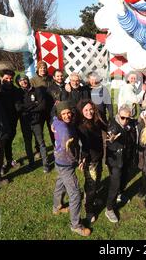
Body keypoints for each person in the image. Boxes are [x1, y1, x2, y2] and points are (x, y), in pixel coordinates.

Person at [51, 101, 91, 237]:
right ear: (60, 115)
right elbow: (64, 141)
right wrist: (66, 146)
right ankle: (76, 225)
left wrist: (54, 121)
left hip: (58, 161)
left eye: (68, 112)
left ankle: (56, 207)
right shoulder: (64, 130)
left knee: (60, 182)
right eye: (64, 114)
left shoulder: (56, 120)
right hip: (66, 163)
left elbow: (54, 116)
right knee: (75, 194)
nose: (67, 115)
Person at [76, 99, 107, 223]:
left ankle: (89, 198)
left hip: (99, 157)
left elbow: (107, 127)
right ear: (81, 111)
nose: (89, 112)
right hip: (89, 160)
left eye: (91, 109)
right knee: (92, 186)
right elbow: (83, 145)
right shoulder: (80, 126)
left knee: (96, 181)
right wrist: (82, 159)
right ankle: (89, 209)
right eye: (86, 110)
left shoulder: (96, 120)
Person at [104, 104, 137, 223]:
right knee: (115, 183)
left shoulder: (130, 124)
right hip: (115, 160)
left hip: (126, 158)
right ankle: (109, 208)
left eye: (128, 118)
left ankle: (120, 194)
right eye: (123, 118)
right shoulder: (113, 125)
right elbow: (110, 136)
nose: (125, 121)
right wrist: (111, 139)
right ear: (118, 115)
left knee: (124, 179)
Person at [15, 74, 50, 173]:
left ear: (28, 80)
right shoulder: (18, 93)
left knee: (41, 143)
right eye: (21, 81)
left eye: (25, 79)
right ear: (18, 83)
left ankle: (46, 164)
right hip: (25, 122)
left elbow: (42, 106)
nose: (23, 82)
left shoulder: (37, 90)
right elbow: (18, 107)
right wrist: (33, 105)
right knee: (28, 143)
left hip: (36, 122)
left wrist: (26, 108)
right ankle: (31, 163)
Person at [0, 69, 20, 174]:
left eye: (11, 79)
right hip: (1, 121)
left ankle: (9, 160)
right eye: (6, 78)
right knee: (2, 143)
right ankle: (1, 164)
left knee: (9, 141)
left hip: (12, 120)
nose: (9, 80)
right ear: (1, 78)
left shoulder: (15, 90)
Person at [30, 61, 54, 145]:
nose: (43, 69)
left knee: (53, 128)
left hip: (50, 108)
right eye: (41, 68)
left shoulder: (51, 78)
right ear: (37, 69)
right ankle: (38, 149)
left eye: (44, 68)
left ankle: (56, 146)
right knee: (39, 131)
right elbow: (31, 95)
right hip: (39, 110)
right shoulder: (33, 80)